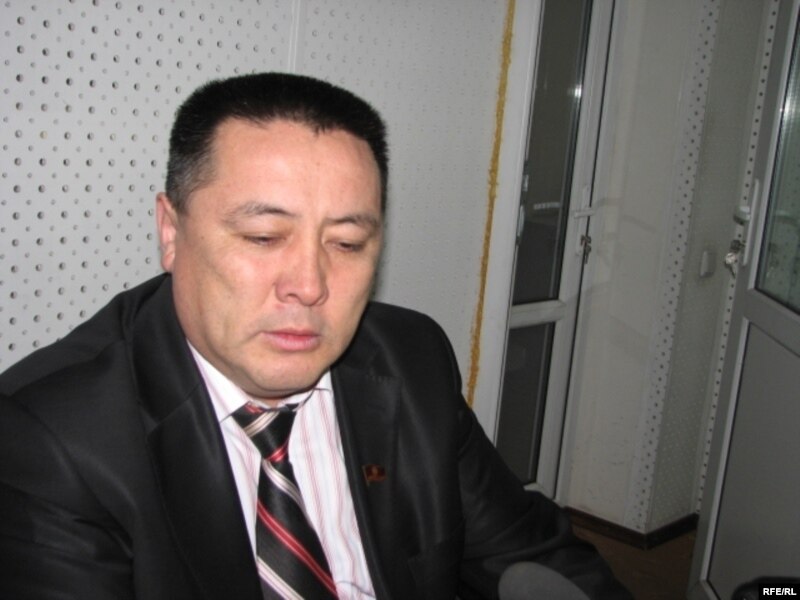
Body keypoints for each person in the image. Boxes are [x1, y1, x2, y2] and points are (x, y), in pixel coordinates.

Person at [0, 72, 629, 599]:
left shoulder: (410, 360)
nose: (309, 285)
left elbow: (532, 555)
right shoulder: (51, 438)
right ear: (171, 231)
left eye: (347, 244)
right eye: (263, 237)